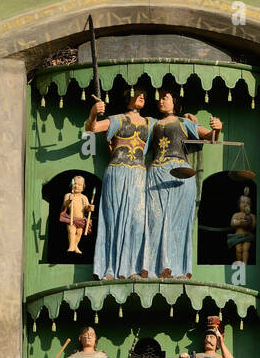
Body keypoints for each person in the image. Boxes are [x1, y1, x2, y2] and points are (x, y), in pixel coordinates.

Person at [144, 89, 222, 279]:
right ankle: (152, 267)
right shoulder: (152, 123)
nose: (161, 100)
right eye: (160, 98)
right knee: (154, 220)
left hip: (180, 173)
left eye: (166, 97)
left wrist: (217, 128)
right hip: (156, 173)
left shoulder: (183, 122)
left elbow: (210, 137)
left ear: (175, 102)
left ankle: (178, 268)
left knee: (177, 221)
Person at [85, 88, 152, 279]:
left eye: (144, 95)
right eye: (137, 93)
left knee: (137, 222)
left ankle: (133, 268)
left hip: (139, 174)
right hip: (117, 172)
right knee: (113, 219)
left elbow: (169, 128)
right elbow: (92, 128)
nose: (141, 96)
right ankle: (110, 269)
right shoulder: (117, 119)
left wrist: (189, 118)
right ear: (127, 96)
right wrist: (93, 113)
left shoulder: (150, 122)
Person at [59, 175, 94, 255]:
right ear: (72, 184)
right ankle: (71, 246)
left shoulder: (84, 197)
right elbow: (65, 205)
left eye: (80, 185)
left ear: (83, 187)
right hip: (71, 218)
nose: (77, 186)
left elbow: (86, 208)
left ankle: (75, 245)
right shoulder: (68, 195)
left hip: (81, 219)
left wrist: (90, 208)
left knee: (79, 233)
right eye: (75, 184)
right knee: (71, 231)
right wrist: (69, 200)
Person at [226, 191, 256, 265]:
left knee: (245, 249)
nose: (245, 204)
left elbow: (254, 226)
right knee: (238, 249)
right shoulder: (236, 215)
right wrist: (239, 222)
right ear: (239, 204)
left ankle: (245, 263)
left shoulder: (252, 216)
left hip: (247, 236)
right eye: (243, 202)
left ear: (251, 205)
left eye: (248, 203)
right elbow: (232, 223)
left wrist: (249, 223)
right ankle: (239, 262)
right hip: (237, 236)